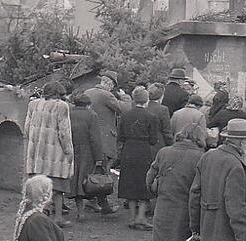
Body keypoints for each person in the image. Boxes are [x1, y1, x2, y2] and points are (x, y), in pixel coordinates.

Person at [146, 124, 205, 241]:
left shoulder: (164, 152)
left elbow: (150, 177)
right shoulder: (200, 156)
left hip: (163, 208)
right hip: (186, 211)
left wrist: (155, 190)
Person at [25, 82, 74, 228]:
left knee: (39, 186)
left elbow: (26, 129)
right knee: (58, 186)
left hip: (37, 152)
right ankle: (58, 217)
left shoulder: (33, 104)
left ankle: (38, 216)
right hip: (55, 153)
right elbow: (64, 132)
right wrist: (68, 150)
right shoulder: (61, 106)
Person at [65, 93, 114, 221]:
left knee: (76, 182)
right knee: (97, 179)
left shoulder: (69, 113)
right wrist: (99, 157)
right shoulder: (92, 115)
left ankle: (81, 212)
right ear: (88, 104)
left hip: (73, 150)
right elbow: (95, 138)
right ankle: (104, 206)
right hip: (88, 151)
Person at [118, 86, 159, 230]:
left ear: (134, 100)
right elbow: (154, 139)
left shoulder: (125, 115)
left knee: (129, 182)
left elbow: (120, 136)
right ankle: (141, 218)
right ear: (146, 100)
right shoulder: (151, 117)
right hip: (143, 151)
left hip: (128, 150)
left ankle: (131, 218)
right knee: (143, 182)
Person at [85, 70, 124, 166]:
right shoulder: (107, 95)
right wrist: (124, 96)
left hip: (88, 136)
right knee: (103, 170)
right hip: (104, 140)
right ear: (110, 84)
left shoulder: (87, 92)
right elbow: (123, 108)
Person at [146, 82, 175, 157]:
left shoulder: (141, 106)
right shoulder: (163, 109)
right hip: (157, 145)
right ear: (162, 96)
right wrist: (172, 145)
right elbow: (166, 131)